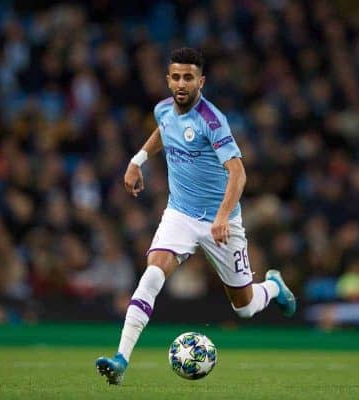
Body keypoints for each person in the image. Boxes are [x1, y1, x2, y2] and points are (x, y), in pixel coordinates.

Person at [95, 47, 296, 385]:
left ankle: (273, 287)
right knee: (154, 271)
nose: (181, 83)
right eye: (175, 77)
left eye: (188, 77)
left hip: (222, 220)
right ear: (168, 80)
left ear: (201, 81)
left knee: (244, 307)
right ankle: (120, 360)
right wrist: (137, 160)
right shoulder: (162, 110)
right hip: (180, 213)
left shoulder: (212, 120)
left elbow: (238, 173)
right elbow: (163, 129)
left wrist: (221, 216)